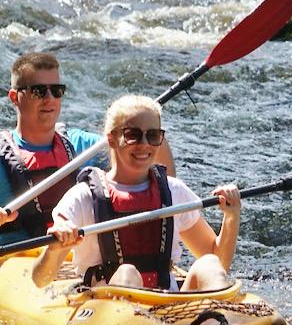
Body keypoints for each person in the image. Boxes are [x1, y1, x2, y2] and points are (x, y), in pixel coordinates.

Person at [0, 52, 174, 248]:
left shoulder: (84, 146)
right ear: (15, 97)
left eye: (57, 90)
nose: (50, 99)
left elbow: (162, 181)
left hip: (73, 255)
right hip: (16, 261)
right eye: (39, 91)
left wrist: (149, 131)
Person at [31, 95, 240, 292]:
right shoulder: (82, 197)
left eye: (153, 135)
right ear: (112, 140)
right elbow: (41, 279)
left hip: (167, 305)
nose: (145, 145)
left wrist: (231, 216)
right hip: (108, 306)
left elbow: (219, 258)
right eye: (133, 135)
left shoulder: (174, 191)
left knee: (210, 264)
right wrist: (56, 247)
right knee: (127, 272)